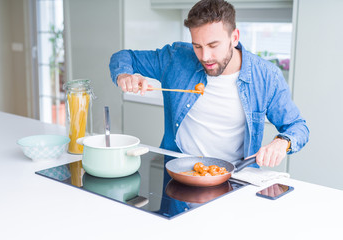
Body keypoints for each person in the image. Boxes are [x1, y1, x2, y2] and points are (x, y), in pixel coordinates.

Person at [109, 0, 309, 168]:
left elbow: (297, 127)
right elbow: (124, 57)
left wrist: (282, 142)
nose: (205, 57)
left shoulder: (266, 76)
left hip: (235, 177)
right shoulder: (176, 58)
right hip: (179, 171)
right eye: (197, 46)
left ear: (235, 38)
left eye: (213, 46)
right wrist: (125, 75)